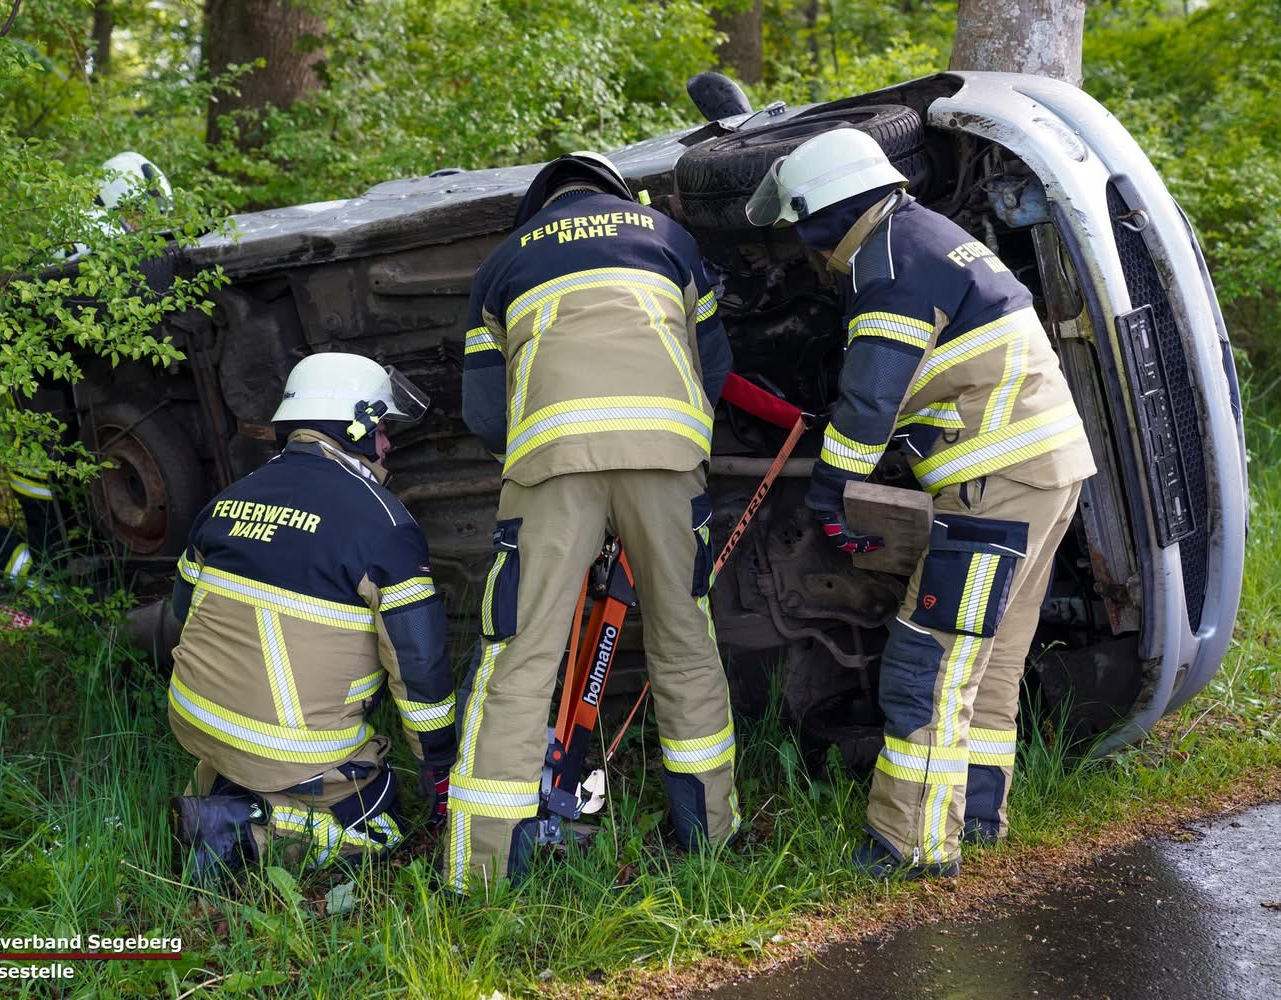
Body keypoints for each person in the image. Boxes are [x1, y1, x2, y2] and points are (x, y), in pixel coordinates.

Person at [746, 128, 1097, 878]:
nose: (810, 251)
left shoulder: (891, 263)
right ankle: (977, 817)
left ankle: (911, 845)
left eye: (803, 231)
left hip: (994, 484)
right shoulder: (929, 235)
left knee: (926, 663)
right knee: (989, 660)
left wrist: (831, 491)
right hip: (1044, 472)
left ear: (823, 213)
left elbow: (871, 397)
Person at [444, 151, 737, 891]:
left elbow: (483, 411)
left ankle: (481, 874)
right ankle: (710, 838)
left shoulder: (503, 262)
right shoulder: (669, 237)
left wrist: (542, 460)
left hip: (554, 462)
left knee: (517, 656)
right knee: (686, 641)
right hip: (666, 458)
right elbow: (715, 365)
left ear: (540, 207)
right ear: (616, 192)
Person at [168, 353, 458, 882]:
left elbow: (182, 612)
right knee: (380, 828)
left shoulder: (226, 500)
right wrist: (438, 763)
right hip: (293, 749)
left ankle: (222, 790)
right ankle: (241, 835)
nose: (387, 444)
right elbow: (419, 665)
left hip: (195, 721)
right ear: (354, 428)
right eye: (383, 429)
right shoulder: (384, 524)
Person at [0, 152, 176, 585]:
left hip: (69, 440)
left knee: (90, 562)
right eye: (138, 212)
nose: (144, 225)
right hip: (47, 453)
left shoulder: (95, 232)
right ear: (114, 199)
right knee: (54, 579)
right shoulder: (88, 236)